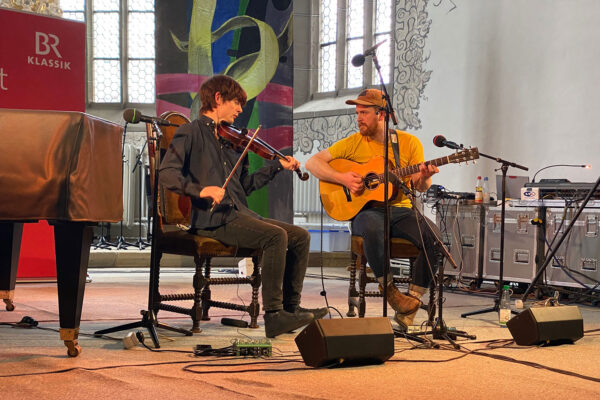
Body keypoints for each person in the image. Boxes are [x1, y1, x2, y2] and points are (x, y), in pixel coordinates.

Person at [159, 75, 327, 338]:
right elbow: (167, 174)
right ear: (218, 99)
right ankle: (274, 316)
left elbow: (245, 186)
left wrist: (275, 168)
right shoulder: (190, 132)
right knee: (276, 236)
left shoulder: (234, 141)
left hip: (239, 214)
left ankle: (290, 309)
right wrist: (201, 190)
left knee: (300, 236)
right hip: (212, 218)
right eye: (237, 103)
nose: (240, 110)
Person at [305, 89, 442, 330]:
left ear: (382, 115)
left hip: (401, 210)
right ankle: (390, 291)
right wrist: (343, 179)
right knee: (371, 225)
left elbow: (419, 188)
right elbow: (312, 163)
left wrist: (425, 178)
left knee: (435, 238)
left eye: (364, 113)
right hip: (366, 212)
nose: (358, 118)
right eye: (357, 113)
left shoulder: (408, 143)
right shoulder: (352, 143)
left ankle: (411, 303)